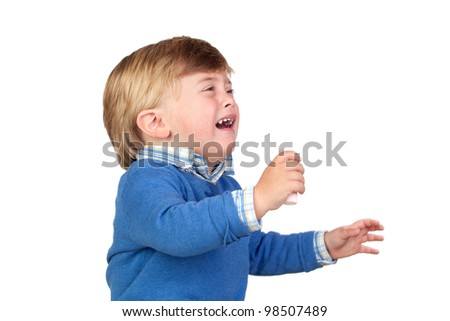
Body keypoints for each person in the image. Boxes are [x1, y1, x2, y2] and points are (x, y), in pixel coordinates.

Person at [103, 36, 384, 301]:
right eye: (209, 89)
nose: (228, 100)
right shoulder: (143, 179)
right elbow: (176, 231)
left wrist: (324, 245)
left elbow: (253, 251)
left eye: (229, 89)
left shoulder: (225, 187)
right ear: (156, 123)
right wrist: (258, 199)